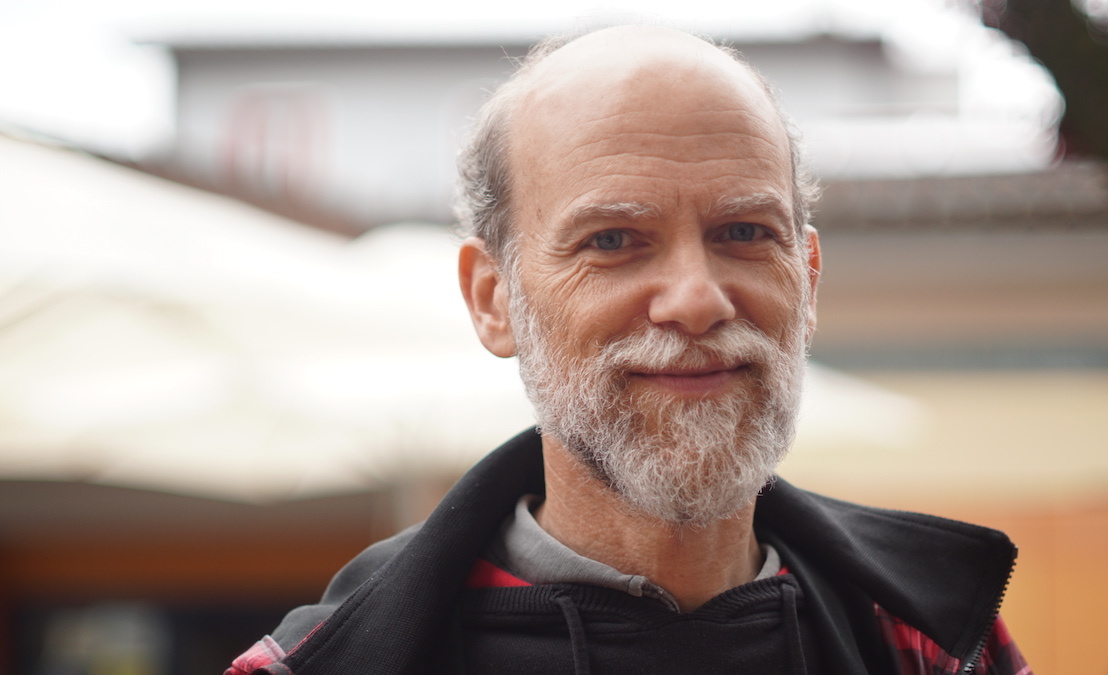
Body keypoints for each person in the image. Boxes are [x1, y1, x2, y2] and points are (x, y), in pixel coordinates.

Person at [228, 25, 1030, 674]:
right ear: (493, 298)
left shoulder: (934, 645)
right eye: (612, 240)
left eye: (744, 231)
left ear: (809, 277)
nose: (696, 298)